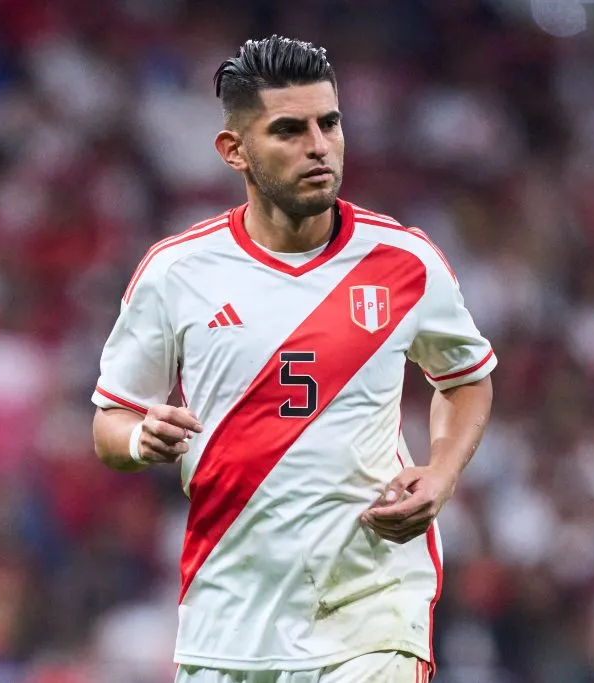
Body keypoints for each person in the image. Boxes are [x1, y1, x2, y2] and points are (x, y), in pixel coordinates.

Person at [91, 35, 496, 683]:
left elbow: (467, 379)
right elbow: (111, 422)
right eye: (289, 129)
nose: (318, 145)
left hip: (370, 604)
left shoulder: (405, 262)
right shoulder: (178, 272)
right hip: (228, 617)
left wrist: (441, 472)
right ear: (235, 151)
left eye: (329, 122)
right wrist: (139, 434)